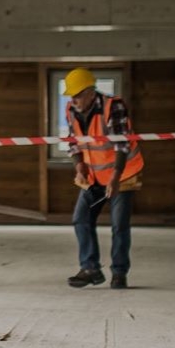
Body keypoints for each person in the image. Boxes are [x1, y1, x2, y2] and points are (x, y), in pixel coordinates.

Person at [64, 67, 144, 289]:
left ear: (91, 92)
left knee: (119, 226)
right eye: (71, 95)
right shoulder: (70, 109)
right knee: (81, 218)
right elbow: (72, 141)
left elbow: (122, 143)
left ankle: (119, 273)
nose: (74, 99)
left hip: (123, 174)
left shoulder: (113, 106)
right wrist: (79, 165)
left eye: (78, 94)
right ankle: (91, 269)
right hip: (94, 176)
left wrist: (116, 177)